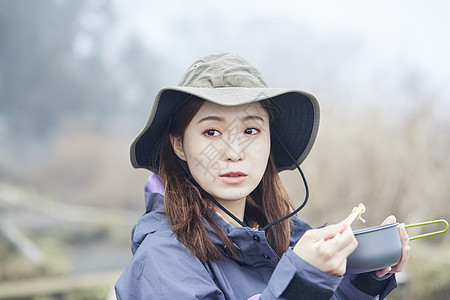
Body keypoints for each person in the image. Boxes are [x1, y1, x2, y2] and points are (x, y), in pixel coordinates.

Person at [115, 53, 410, 299]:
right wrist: (302, 280)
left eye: (250, 130)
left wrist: (363, 278)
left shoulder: (286, 237)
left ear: (270, 141)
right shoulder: (161, 257)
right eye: (212, 132)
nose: (233, 151)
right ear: (179, 144)